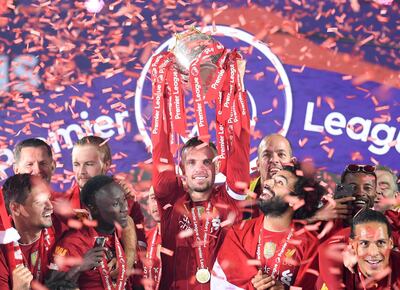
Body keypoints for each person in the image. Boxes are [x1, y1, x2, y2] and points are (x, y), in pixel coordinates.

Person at [153, 122, 250, 290]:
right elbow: (160, 152)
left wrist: (232, 103)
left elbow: (240, 158)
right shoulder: (171, 200)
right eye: (191, 162)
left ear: (217, 166)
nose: (200, 168)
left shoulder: (229, 201)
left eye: (207, 162)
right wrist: (164, 100)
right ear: (182, 168)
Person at [211, 165, 323, 289]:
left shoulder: (310, 244)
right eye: (272, 178)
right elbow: (221, 281)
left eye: (279, 182)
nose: (268, 183)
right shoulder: (238, 232)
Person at [47, 175, 129, 289]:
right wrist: (79, 267)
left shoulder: (122, 234)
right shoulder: (73, 243)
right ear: (93, 208)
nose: (125, 208)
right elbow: (51, 285)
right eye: (115, 204)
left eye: (124, 200)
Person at [316, 164, 378, 289]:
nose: (360, 193)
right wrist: (316, 216)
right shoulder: (323, 221)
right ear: (341, 190)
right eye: (353, 187)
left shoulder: (386, 226)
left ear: (375, 193)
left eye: (367, 188)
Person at [0, 174, 66, 289]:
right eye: (39, 202)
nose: (50, 206)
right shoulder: (2, 247)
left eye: (48, 198)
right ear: (16, 208)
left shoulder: (61, 226)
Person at [319, 209, 400, 289]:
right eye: (364, 243)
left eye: (381, 243)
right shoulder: (338, 270)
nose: (373, 252)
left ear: (391, 243)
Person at [142, 187, 161, 290]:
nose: (156, 203)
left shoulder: (188, 238)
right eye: (153, 198)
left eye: (161, 197)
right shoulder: (145, 237)